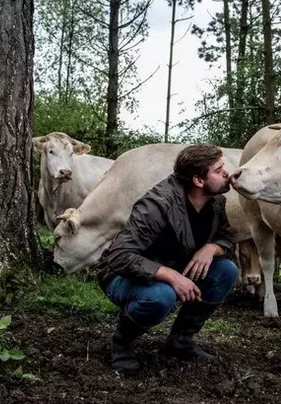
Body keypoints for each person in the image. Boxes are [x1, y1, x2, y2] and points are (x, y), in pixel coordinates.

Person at [95, 144, 239, 374]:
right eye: (218, 170)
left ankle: (180, 341)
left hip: (172, 268)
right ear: (198, 180)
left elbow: (227, 239)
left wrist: (212, 248)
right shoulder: (157, 204)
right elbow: (120, 256)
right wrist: (171, 276)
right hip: (121, 276)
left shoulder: (215, 202)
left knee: (226, 270)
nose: (226, 173)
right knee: (162, 295)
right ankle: (121, 344)